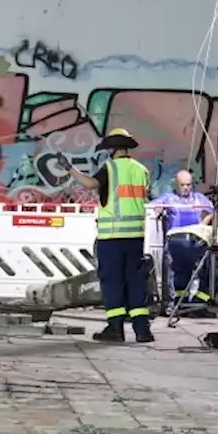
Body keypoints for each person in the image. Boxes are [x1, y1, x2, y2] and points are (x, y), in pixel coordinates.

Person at [64, 128, 154, 343]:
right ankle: (142, 330)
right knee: (135, 281)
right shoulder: (141, 170)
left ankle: (115, 328)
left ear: (111, 149)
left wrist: (71, 170)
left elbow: (90, 184)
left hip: (112, 236)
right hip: (136, 235)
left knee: (112, 281)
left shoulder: (110, 168)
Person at [152, 169, 218, 316]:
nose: (186, 188)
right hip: (175, 241)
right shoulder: (168, 198)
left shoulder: (198, 198)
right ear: (176, 184)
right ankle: (175, 305)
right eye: (182, 185)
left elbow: (212, 210)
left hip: (194, 240)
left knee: (201, 272)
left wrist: (203, 224)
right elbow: (152, 209)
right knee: (175, 275)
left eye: (188, 185)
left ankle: (196, 305)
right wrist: (157, 210)